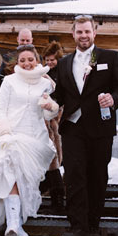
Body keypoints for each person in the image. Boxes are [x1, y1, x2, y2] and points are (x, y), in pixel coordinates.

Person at [51, 15, 118, 236]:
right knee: (74, 176)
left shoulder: (109, 57)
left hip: (100, 127)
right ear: (73, 35)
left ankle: (93, 227)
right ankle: (77, 227)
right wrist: (48, 97)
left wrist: (113, 99)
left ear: (94, 33)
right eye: (79, 32)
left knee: (96, 176)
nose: (83, 35)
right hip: (72, 127)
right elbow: (61, 94)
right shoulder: (65, 63)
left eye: (87, 31)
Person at [0, 44, 59, 236]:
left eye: (30, 59)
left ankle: (17, 220)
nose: (27, 63)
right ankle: (13, 224)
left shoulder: (45, 83)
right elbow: (0, 107)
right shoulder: (9, 81)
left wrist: (50, 106)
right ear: (17, 63)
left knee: (25, 180)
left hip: (34, 138)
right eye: (22, 60)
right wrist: (3, 127)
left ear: (37, 60)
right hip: (10, 133)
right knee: (10, 173)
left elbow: (47, 113)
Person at [40, 41, 65, 212]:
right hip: (45, 121)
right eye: (47, 60)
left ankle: (55, 195)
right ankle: (54, 194)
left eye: (52, 60)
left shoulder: (63, 73)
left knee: (54, 159)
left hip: (57, 118)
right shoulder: (43, 74)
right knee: (50, 159)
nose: (49, 63)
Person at [0, 28, 34, 101]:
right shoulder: (8, 58)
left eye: (27, 40)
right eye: (22, 40)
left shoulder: (37, 59)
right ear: (17, 39)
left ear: (32, 40)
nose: (25, 43)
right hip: (12, 98)